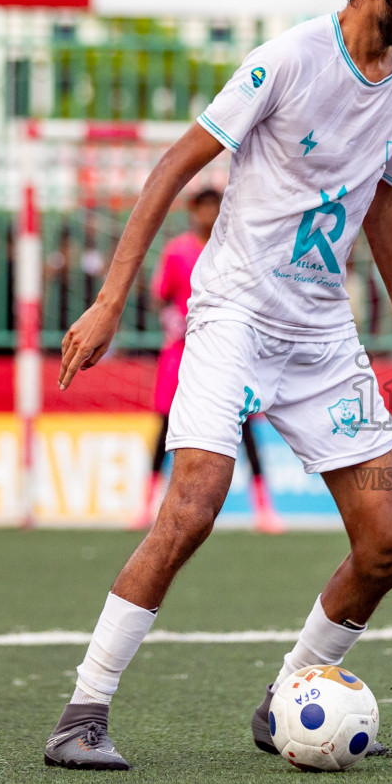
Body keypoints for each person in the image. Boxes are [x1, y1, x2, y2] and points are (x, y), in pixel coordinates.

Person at [43, 0, 392, 771]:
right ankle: (83, 712)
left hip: (320, 336)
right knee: (192, 508)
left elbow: (380, 199)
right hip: (232, 314)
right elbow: (172, 167)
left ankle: (291, 697)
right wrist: (113, 298)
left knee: (388, 547)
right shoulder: (287, 60)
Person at [145, 187, 284, 534]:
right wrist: (172, 320)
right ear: (193, 210)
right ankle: (145, 503)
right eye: (202, 207)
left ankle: (263, 507)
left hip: (227, 351)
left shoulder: (233, 251)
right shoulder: (177, 251)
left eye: (214, 207)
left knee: (246, 427)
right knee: (166, 424)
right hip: (182, 350)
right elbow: (159, 296)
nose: (208, 214)